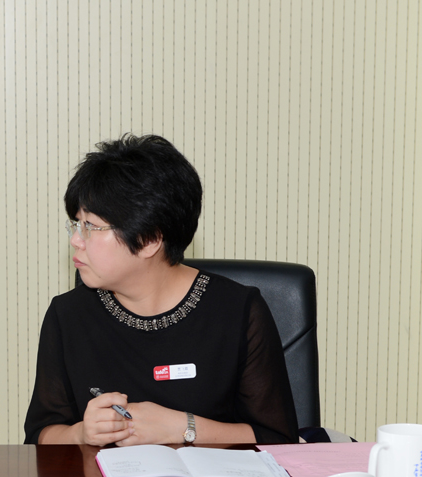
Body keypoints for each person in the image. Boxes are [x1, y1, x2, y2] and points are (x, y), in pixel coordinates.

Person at [25, 134, 298, 446]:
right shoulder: (68, 315)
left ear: (149, 240)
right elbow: (39, 437)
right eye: (76, 223)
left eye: (91, 227)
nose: (76, 240)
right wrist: (81, 433)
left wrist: (182, 427)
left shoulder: (237, 311)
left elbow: (278, 439)